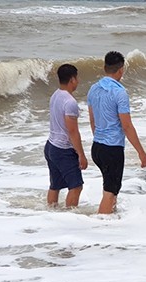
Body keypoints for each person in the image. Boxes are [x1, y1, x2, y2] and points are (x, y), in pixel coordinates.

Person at [87, 51, 146, 214]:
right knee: (110, 191)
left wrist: (99, 139)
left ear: (105, 67)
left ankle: (110, 222)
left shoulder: (93, 89)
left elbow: (92, 120)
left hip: (97, 147)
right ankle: (101, 227)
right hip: (112, 148)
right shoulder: (119, 92)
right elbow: (127, 126)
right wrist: (141, 152)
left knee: (110, 188)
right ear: (121, 70)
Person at [44, 63, 87, 208]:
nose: (78, 81)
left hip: (51, 146)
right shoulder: (70, 102)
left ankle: (50, 213)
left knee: (55, 186)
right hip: (63, 149)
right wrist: (81, 154)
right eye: (77, 78)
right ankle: (69, 219)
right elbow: (72, 131)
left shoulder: (55, 95)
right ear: (72, 79)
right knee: (76, 187)